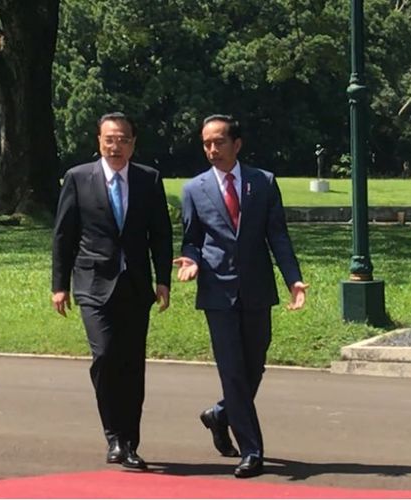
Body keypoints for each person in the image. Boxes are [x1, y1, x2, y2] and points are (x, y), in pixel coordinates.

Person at [173, 114, 308, 478]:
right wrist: (192, 261)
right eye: (206, 144)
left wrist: (293, 280)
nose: (212, 150)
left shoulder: (262, 183)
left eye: (218, 142)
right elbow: (192, 239)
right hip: (217, 291)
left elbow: (277, 236)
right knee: (232, 371)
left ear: (237, 144)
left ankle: (220, 414)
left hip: (257, 289)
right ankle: (252, 450)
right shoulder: (194, 189)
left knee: (254, 366)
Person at [51, 112, 173, 470]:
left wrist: (162, 279)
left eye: (122, 139)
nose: (115, 146)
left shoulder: (148, 179)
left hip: (135, 286)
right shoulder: (77, 178)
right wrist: (59, 286)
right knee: (105, 356)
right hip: (92, 283)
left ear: (133, 144)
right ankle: (113, 436)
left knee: (132, 365)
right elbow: (63, 236)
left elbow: (160, 234)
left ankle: (130, 442)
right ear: (98, 141)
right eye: (109, 139)